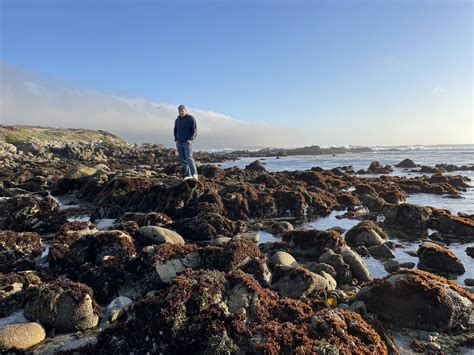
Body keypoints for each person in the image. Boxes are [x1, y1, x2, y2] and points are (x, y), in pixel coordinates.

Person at [174, 104, 198, 180]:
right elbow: (175, 130)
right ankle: (188, 175)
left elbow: (194, 130)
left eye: (182, 111)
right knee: (183, 160)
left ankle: (194, 174)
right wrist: (176, 139)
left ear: (185, 110)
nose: (181, 112)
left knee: (189, 158)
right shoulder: (177, 120)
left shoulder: (191, 118)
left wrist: (190, 139)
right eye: (179, 111)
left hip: (188, 143)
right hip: (179, 143)